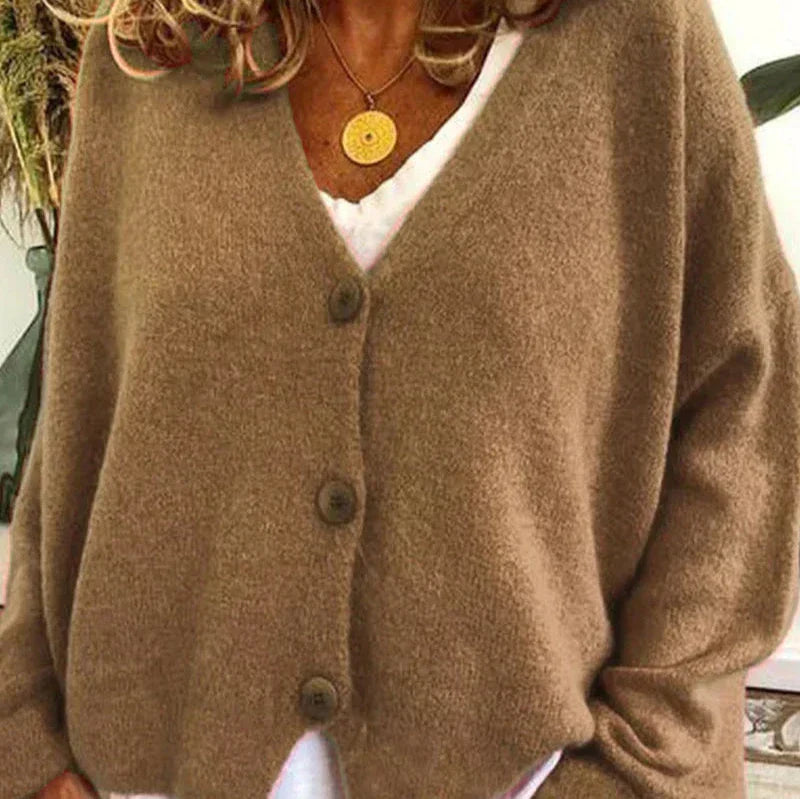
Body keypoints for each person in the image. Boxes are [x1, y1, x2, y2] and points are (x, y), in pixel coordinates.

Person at [3, 0, 799, 797]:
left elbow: (747, 414)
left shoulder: (638, 41)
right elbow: (75, 425)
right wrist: (24, 743)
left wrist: (648, 760)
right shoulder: (152, 52)